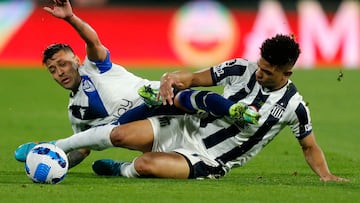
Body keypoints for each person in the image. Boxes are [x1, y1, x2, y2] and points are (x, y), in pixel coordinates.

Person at [18, 33, 347, 181]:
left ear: (286, 73)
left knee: (146, 166)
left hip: (210, 158)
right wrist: (169, 79)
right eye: (259, 65)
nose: (259, 73)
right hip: (187, 125)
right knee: (118, 135)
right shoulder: (239, 67)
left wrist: (327, 175)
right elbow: (190, 79)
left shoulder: (294, 106)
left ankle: (121, 170)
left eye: (267, 72)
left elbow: (309, 147)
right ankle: (55, 148)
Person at [14, 0, 161, 168]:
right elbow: (83, 148)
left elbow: (93, 41)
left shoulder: (95, 67)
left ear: (77, 60)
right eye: (52, 70)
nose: (60, 72)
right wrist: (58, 166)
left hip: (162, 101)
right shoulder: (76, 112)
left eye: (63, 64)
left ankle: (59, 145)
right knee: (145, 161)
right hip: (151, 134)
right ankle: (120, 169)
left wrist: (70, 18)